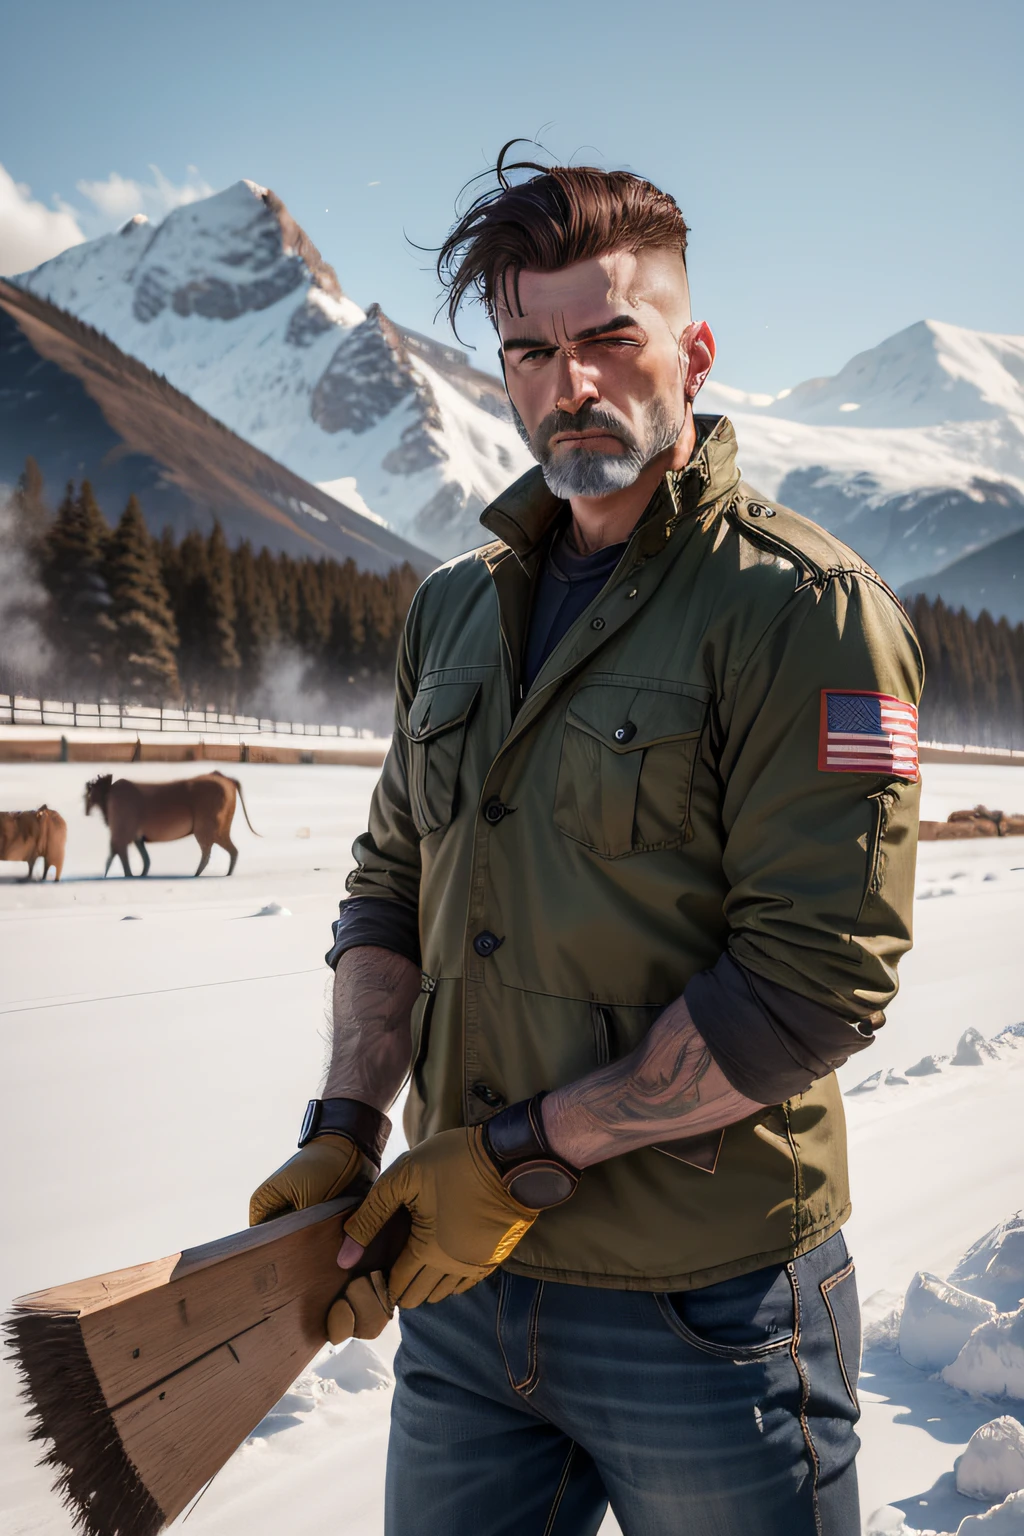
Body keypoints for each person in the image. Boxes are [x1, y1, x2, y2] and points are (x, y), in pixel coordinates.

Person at [250, 147, 923, 1536]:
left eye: (612, 336)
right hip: (463, 1300)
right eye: (532, 350)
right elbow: (390, 886)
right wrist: (346, 1124)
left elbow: (818, 979)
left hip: (711, 1312)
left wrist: (510, 1157)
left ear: (696, 348)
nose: (573, 382)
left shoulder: (808, 613)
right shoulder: (452, 611)